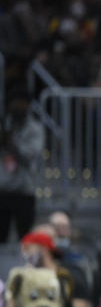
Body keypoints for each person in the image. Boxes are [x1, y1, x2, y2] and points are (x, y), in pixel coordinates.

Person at [0, 90, 43, 242]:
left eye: (21, 103)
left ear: (28, 105)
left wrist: (12, 144)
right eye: (15, 103)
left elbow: (31, 154)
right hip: (3, 189)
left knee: (26, 239)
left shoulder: (34, 129)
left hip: (24, 190)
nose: (17, 106)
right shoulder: (4, 125)